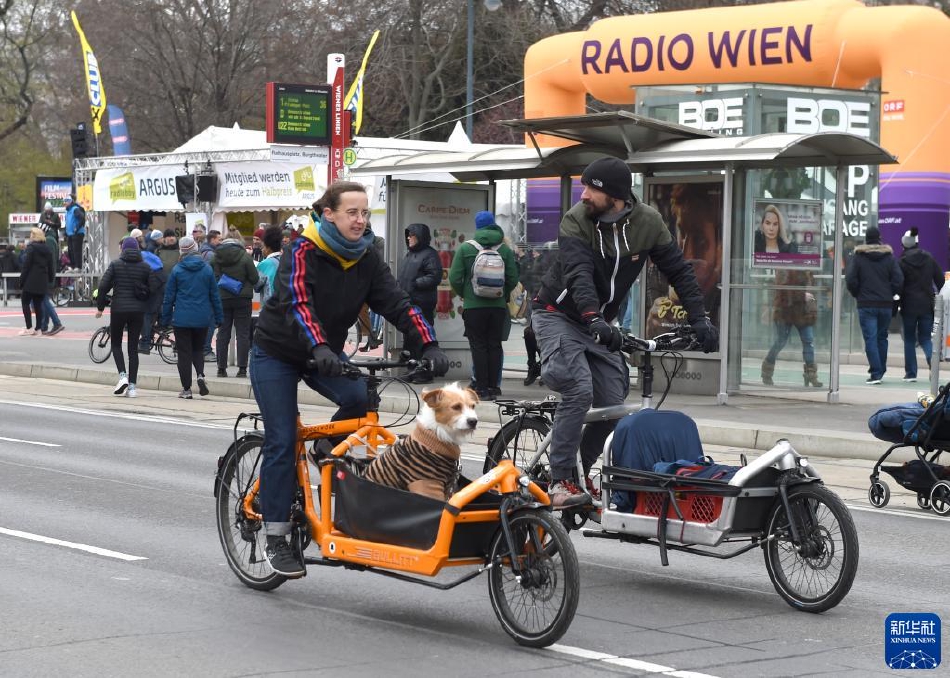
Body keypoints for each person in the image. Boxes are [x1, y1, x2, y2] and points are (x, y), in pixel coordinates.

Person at [250, 180, 449, 577]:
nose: (360, 220)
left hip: (324, 353)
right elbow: (298, 302)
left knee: (360, 401)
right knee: (282, 439)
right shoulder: (303, 249)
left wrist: (428, 344)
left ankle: (325, 445)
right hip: (278, 352)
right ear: (330, 215)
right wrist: (320, 347)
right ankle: (275, 535)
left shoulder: (367, 257)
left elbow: (397, 303)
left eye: (365, 213)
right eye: (352, 213)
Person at [531, 156, 718, 508]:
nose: (583, 194)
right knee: (578, 387)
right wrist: (593, 318)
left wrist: (700, 319)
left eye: (591, 188)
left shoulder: (648, 222)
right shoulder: (577, 220)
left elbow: (679, 271)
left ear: (614, 195)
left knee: (615, 403)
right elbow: (579, 275)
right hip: (558, 314)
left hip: (599, 322)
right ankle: (560, 481)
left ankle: (580, 472)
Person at [448, 211, 519, 401]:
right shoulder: (504, 249)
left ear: (477, 226)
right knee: (494, 345)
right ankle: (494, 387)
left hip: (474, 307)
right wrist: (501, 294)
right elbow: (513, 278)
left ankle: (481, 388)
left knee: (478, 346)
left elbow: (454, 278)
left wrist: (466, 295)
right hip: (497, 306)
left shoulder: (466, 248)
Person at [161, 236, 223, 399]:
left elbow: (169, 297)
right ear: (196, 248)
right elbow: (214, 295)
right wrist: (219, 317)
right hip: (202, 317)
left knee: (184, 353)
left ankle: (187, 389)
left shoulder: (177, 270)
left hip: (182, 318)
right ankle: (201, 375)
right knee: (198, 349)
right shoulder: (207, 269)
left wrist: (165, 319)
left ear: (181, 251)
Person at [95, 237, 155, 398]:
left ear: (123, 249)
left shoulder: (116, 264)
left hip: (119, 309)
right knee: (133, 349)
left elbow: (102, 286)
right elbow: (153, 288)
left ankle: (122, 376)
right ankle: (133, 388)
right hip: (138, 311)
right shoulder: (145, 267)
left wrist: (100, 307)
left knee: (116, 344)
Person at [845, 225, 903, 385]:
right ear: (879, 238)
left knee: (870, 338)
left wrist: (858, 293)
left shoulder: (858, 257)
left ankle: (876, 372)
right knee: (882, 337)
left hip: (866, 303)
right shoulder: (889, 258)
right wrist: (890, 293)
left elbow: (850, 279)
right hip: (885, 304)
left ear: (866, 238)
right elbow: (898, 280)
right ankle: (880, 370)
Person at [396, 222, 442, 382]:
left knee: (423, 338)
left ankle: (425, 372)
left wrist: (415, 283)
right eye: (408, 235)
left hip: (422, 303)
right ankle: (412, 370)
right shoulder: (409, 254)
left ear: (420, 237)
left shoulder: (429, 254)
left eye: (412, 235)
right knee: (410, 339)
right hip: (409, 302)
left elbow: (435, 276)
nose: (408, 238)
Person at [897, 227, 944, 381]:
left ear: (904, 245)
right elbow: (940, 279)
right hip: (926, 304)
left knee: (909, 339)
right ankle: (933, 364)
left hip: (908, 305)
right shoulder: (929, 258)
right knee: (925, 338)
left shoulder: (902, 262)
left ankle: (911, 373)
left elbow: (898, 283)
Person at [760, 268, 821, 387]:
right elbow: (783, 290)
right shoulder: (785, 267)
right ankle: (767, 371)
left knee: (808, 340)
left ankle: (811, 374)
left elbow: (811, 288)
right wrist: (802, 295)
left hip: (803, 311)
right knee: (781, 341)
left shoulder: (808, 268)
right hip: (786, 310)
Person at [211, 232, 259, 378]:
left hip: (223, 298)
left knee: (223, 332)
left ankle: (221, 368)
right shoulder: (245, 256)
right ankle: (242, 369)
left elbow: (212, 275)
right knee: (243, 333)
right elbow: (254, 277)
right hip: (242, 299)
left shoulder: (215, 257)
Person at [17, 228, 54, 336]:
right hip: (42, 281)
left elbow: (26, 266)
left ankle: (29, 327)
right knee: (38, 305)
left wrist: (21, 281)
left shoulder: (31, 248)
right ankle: (38, 329)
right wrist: (50, 280)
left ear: (34, 236)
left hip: (30, 280)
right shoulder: (47, 249)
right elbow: (51, 267)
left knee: (25, 302)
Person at [37, 223, 65, 336]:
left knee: (44, 300)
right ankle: (44, 325)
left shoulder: (48, 241)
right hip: (49, 275)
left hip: (46, 275)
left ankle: (56, 323)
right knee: (44, 299)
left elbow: (48, 260)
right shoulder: (52, 239)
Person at [255, 225, 283, 307]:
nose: (261, 249)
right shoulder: (286, 260)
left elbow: (257, 286)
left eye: (263, 247)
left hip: (269, 306)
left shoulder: (264, 264)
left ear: (268, 248)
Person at [63, 196, 86, 270]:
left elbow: (82, 218)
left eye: (66, 201)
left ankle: (78, 266)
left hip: (77, 233)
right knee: (70, 251)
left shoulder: (75, 209)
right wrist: (65, 232)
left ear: (70, 202)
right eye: (64, 201)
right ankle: (73, 266)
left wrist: (77, 228)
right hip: (70, 234)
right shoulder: (67, 211)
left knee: (76, 250)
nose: (64, 203)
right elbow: (67, 222)